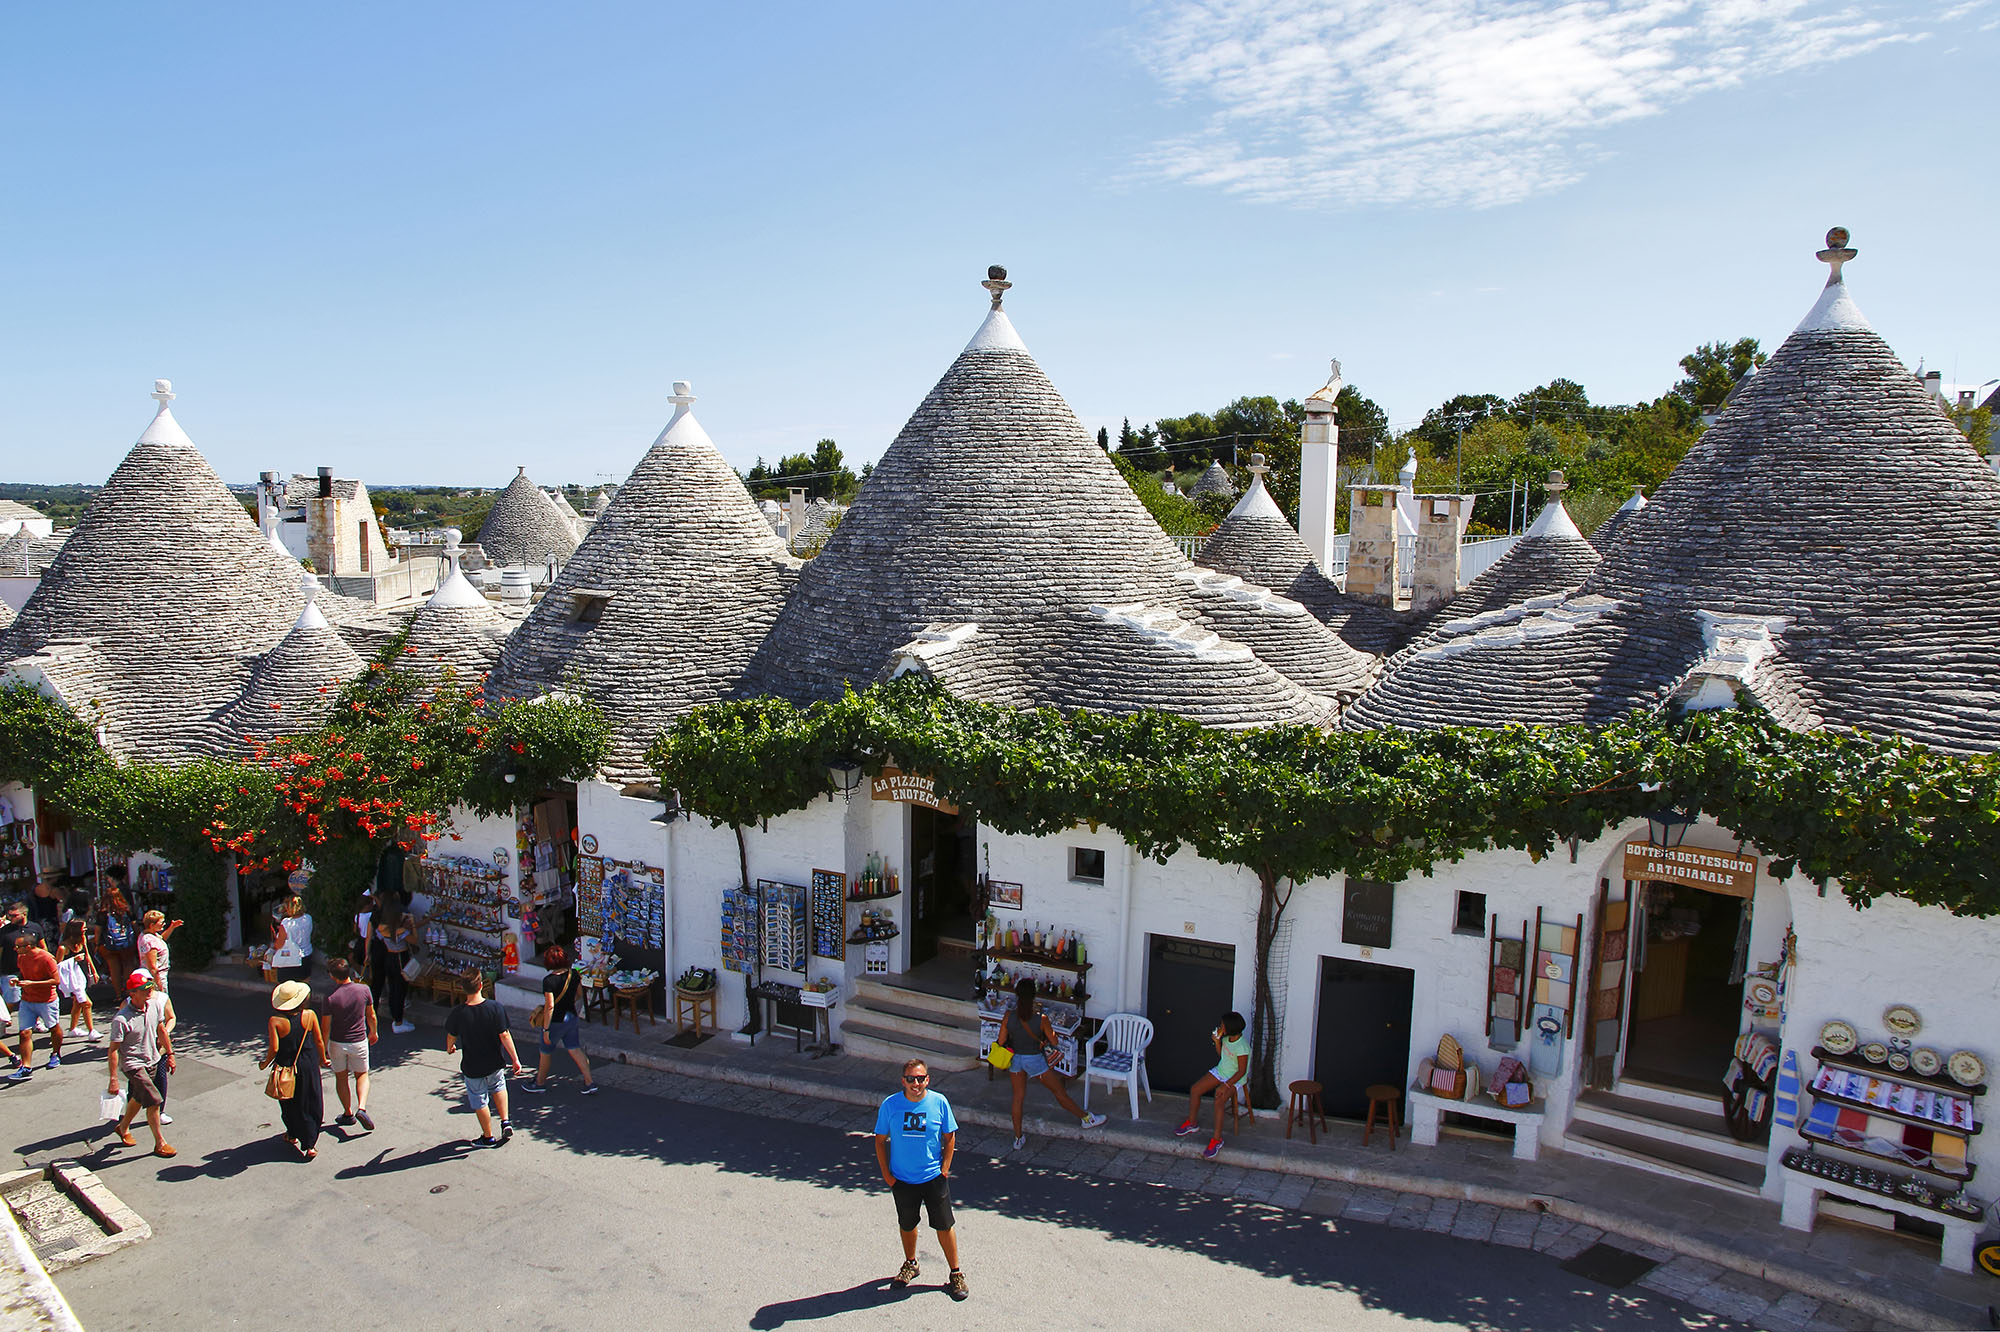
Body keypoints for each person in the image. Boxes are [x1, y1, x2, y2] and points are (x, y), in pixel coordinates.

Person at [873, 1058, 966, 1301]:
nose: (916, 1083)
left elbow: (950, 1136)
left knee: (944, 1225)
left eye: (920, 1078)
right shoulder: (890, 1105)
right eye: (911, 1079)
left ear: (928, 1080)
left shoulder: (939, 1102)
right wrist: (887, 1175)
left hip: (933, 1178)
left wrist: (945, 1168)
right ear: (903, 1081)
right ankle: (910, 1263)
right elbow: (880, 1140)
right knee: (907, 1224)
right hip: (902, 1180)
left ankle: (956, 1273)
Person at [998, 977, 1107, 1150]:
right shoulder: (1041, 1018)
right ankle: (1086, 1118)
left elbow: (1001, 1040)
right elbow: (1054, 1041)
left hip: (1016, 1059)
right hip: (1035, 1059)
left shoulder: (1008, 1016)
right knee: (1059, 1093)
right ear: (1033, 996)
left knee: (1018, 1098)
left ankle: (1018, 1138)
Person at [443, 971, 524, 1146]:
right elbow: (505, 1034)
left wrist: (450, 1047)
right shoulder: (495, 1008)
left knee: (479, 1100)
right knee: (499, 1087)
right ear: (481, 986)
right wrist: (515, 1059)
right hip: (495, 1062)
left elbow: (451, 1035)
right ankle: (505, 1121)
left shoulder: (458, 1013)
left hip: (473, 1066)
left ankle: (488, 1136)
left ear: (463, 988)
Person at [106, 973, 174, 1158]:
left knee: (138, 1096)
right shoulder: (121, 1019)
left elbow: (161, 1030)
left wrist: (170, 1054)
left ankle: (123, 1127)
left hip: (152, 1059)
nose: (150, 991)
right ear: (133, 994)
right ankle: (160, 1143)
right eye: (145, 990)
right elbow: (113, 1050)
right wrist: (113, 1079)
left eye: (150, 988)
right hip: (133, 1065)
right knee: (154, 1100)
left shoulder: (154, 1006)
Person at [260, 980, 329, 1159]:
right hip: (308, 1063)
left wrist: (264, 1063)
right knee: (310, 1099)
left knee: (289, 1102)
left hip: (286, 1065)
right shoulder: (310, 1015)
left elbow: (274, 1048)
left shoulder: (275, 1021)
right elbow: (319, 1040)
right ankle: (310, 1144)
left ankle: (292, 1134)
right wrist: (323, 1059)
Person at [520, 944, 597, 1096]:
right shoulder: (574, 974)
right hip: (571, 1016)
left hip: (556, 1021)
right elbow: (579, 994)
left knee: (545, 1052)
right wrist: (568, 1002)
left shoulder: (549, 981)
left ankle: (539, 1083)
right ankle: (589, 1082)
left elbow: (550, 1006)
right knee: (575, 1049)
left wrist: (546, 1029)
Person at [1174, 1010, 1251, 1160]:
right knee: (1195, 1089)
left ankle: (1216, 1140)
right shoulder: (1227, 1039)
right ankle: (1192, 1123)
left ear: (1231, 1027)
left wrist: (1226, 1085)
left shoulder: (1242, 1047)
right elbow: (1223, 1056)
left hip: (1234, 1078)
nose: (1220, 1027)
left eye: (1223, 1025)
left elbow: (1241, 1071)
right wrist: (1217, 1042)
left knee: (1219, 1100)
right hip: (1221, 1071)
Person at [324, 958, 378, 1131]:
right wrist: (373, 1032)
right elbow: (371, 1015)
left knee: (341, 1077)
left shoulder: (330, 997)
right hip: (358, 1041)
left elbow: (326, 1026)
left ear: (332, 976)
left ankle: (347, 1113)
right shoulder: (364, 990)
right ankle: (361, 1108)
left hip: (337, 1043)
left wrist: (324, 1048)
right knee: (362, 1075)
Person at [8, 929, 63, 1078]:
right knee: (24, 1032)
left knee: (54, 1028)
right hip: (27, 1000)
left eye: (18, 946)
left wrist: (32, 983)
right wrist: (17, 980)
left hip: (47, 1001)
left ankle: (56, 1053)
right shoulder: (21, 957)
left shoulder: (46, 958)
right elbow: (24, 975)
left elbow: (56, 980)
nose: (15, 949)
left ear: (29, 946)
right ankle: (26, 1067)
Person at [373, 899, 416, 1034]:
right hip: (400, 958)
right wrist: (412, 925)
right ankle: (398, 1021)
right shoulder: (400, 931)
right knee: (400, 990)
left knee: (393, 988)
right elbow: (414, 940)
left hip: (389, 957)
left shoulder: (381, 928)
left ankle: (397, 1018)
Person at [57, 922, 101, 1044]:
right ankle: (91, 1031)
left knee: (78, 1003)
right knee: (87, 1003)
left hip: (81, 977)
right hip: (72, 980)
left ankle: (72, 1029)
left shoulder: (82, 941)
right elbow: (57, 966)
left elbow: (87, 956)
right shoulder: (63, 948)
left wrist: (94, 971)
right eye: (83, 928)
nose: (85, 929)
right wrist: (73, 960)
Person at [98, 879, 138, 985]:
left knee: (114, 969)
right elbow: (134, 925)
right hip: (126, 943)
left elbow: (98, 930)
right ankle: (129, 988)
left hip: (109, 944)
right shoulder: (126, 910)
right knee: (128, 964)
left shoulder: (103, 913)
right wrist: (137, 938)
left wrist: (97, 944)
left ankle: (118, 992)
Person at [269, 895, 314, 983]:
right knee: (304, 986)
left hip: (290, 959)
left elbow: (279, 944)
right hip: (306, 956)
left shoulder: (286, 923)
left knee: (286, 987)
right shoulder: (308, 918)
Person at [137, 909, 182, 992]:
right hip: (156, 978)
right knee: (161, 999)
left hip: (160, 976)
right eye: (161, 922)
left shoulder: (152, 934)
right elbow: (152, 967)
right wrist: (159, 986)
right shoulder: (149, 941)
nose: (164, 924)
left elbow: (161, 939)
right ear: (152, 925)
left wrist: (172, 927)